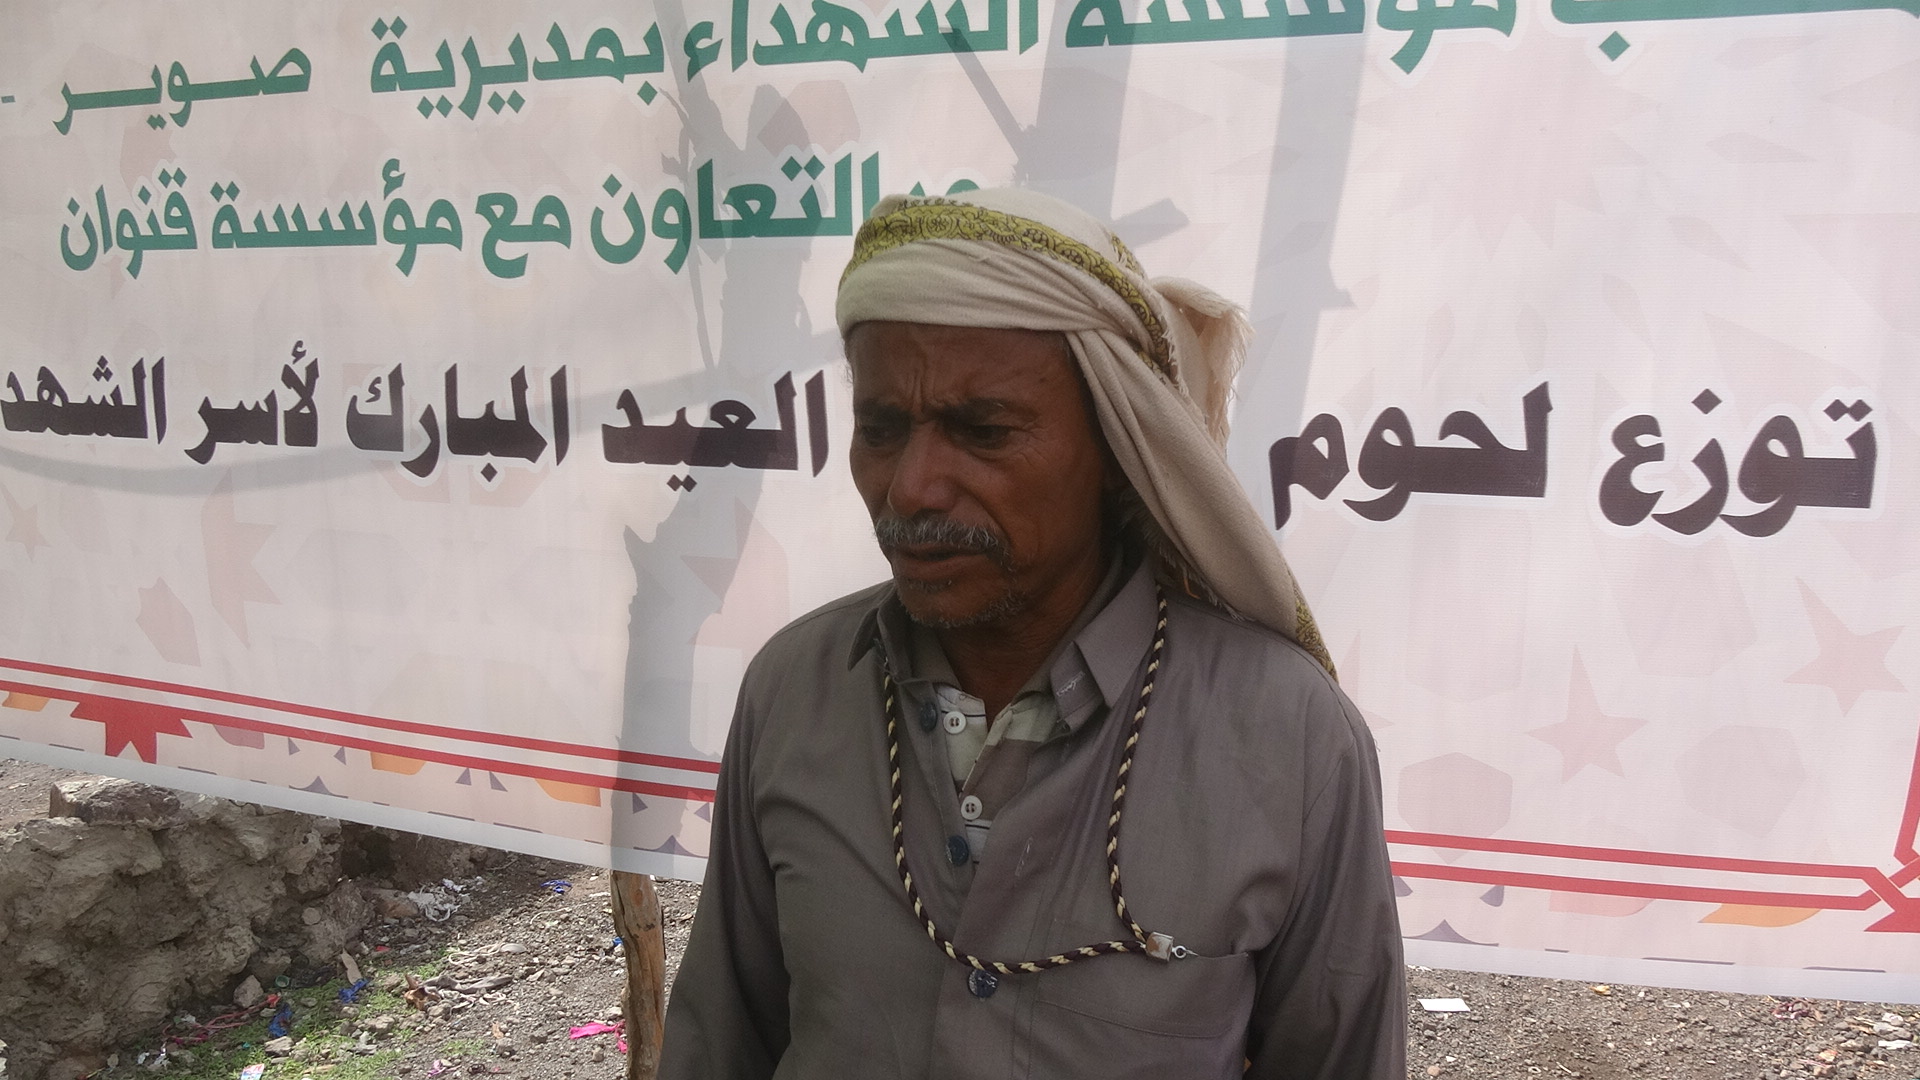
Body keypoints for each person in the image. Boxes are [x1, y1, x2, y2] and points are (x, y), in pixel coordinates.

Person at [659, 188, 1405, 1080]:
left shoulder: (1291, 740)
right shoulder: (794, 690)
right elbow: (721, 1042)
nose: (912, 488)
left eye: (983, 431)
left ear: (1119, 451)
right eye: (881, 429)